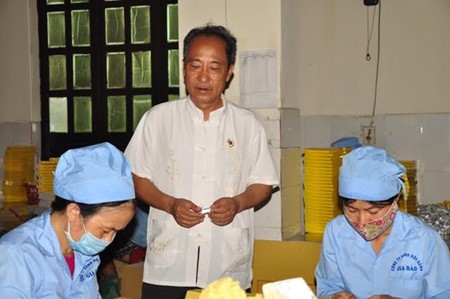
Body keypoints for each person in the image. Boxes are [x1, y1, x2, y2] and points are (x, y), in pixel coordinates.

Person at [125, 23, 279, 299]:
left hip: (226, 267)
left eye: (214, 67)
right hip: (168, 267)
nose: (204, 77)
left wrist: (237, 204)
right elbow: (136, 176)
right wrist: (170, 204)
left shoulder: (248, 124)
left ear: (230, 71)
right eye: (195, 66)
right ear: (183, 67)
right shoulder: (157, 119)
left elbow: (264, 183)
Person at [0, 142, 136, 298]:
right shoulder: (16, 253)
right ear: (74, 212)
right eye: (106, 230)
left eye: (116, 232)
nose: (108, 240)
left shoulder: (83, 251)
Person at [315, 146, 450, 299]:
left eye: (372, 211)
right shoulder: (336, 233)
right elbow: (327, 286)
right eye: (352, 210)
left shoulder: (425, 240)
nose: (362, 221)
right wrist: (335, 296)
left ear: (396, 199)